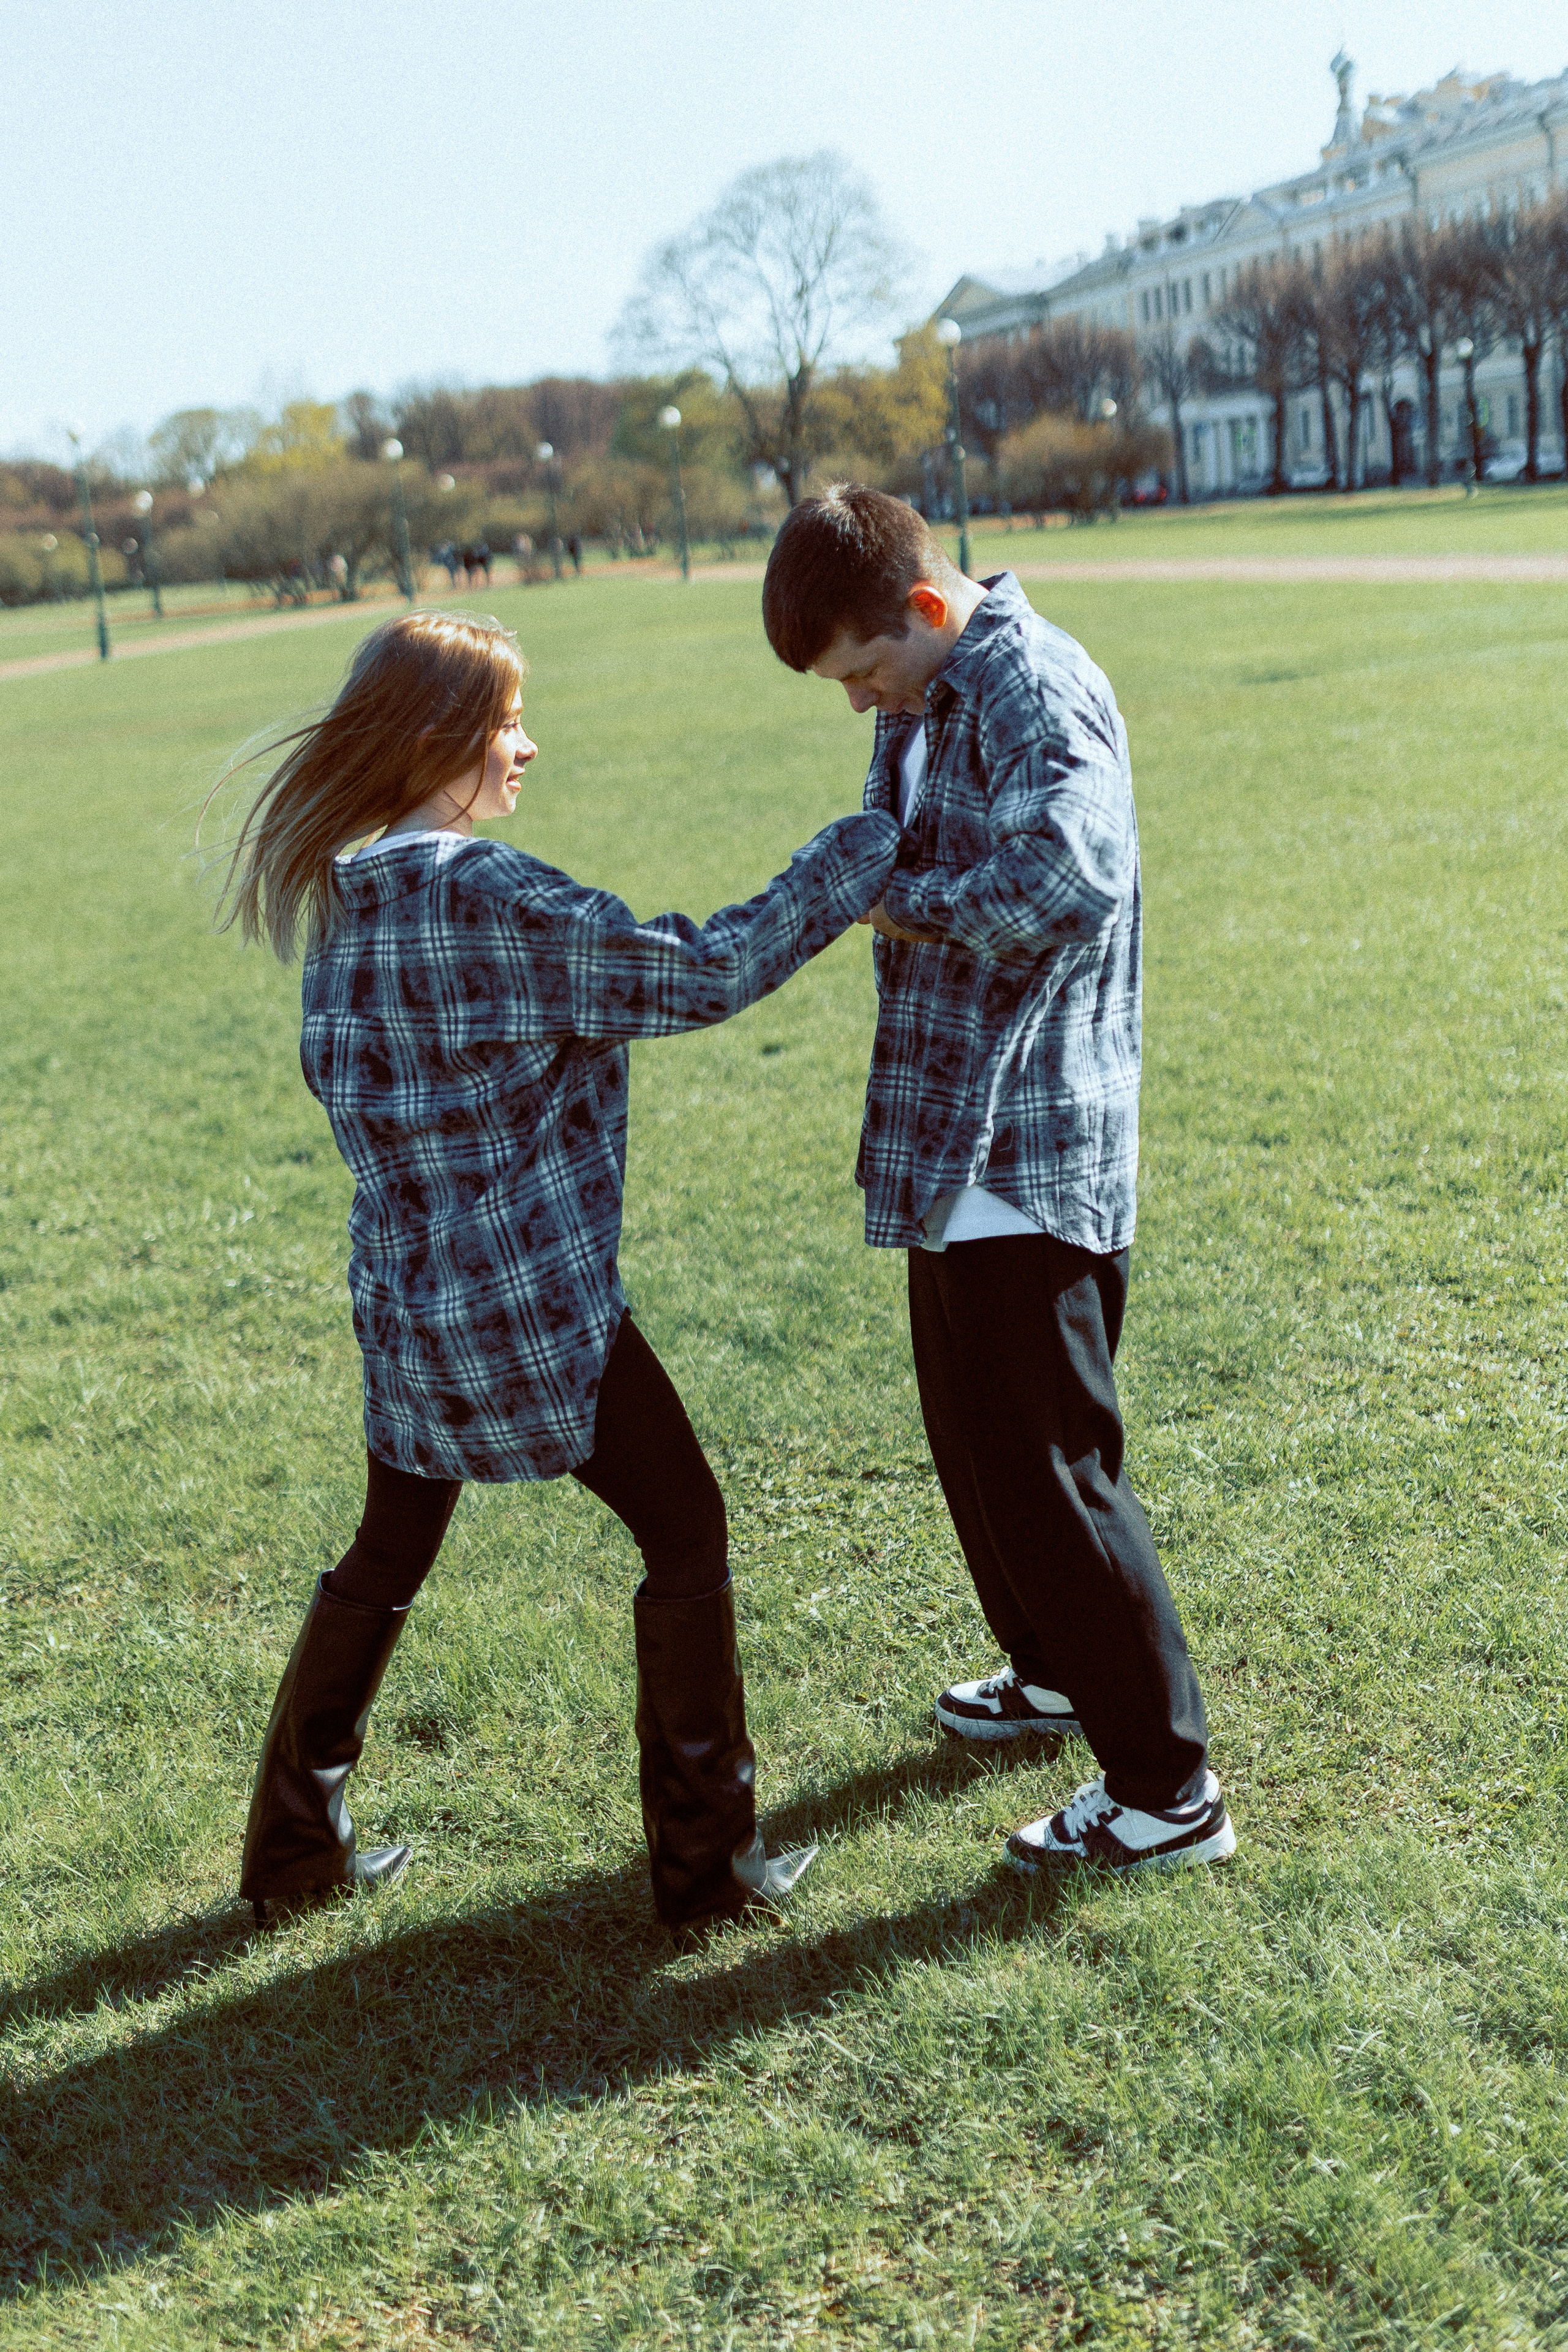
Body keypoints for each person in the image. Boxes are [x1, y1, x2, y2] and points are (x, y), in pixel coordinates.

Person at [213, 609, 899, 1932]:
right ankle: (707, 1870)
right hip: (535, 1312)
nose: (526, 746)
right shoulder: (492, 901)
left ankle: (293, 1843)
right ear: (435, 743)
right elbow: (704, 971)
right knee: (685, 1530)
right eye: (504, 724)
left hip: (411, 1310)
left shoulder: (343, 908)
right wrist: (854, 854)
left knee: (386, 1546)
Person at [762, 486, 1234, 1877]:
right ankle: (1046, 1672)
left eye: (862, 672)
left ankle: (1167, 1792)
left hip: (1024, 1138)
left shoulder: (1027, 679)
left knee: (1051, 1469)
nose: (859, 704)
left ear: (921, 607)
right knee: (974, 1438)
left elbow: (1067, 874)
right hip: (944, 1134)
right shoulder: (928, 695)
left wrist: (897, 898)